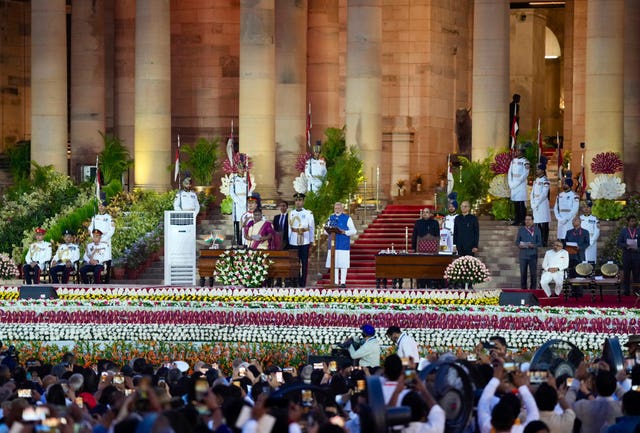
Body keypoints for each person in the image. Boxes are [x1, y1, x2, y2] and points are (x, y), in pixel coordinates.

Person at [325, 202, 357, 287]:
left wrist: (344, 232)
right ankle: (335, 282)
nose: (337, 210)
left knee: (343, 264)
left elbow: (354, 231)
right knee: (334, 263)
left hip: (343, 244)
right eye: (336, 208)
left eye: (339, 208)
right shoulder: (330, 218)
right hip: (333, 245)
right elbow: (325, 230)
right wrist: (327, 230)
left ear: (342, 209)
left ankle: (343, 282)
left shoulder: (347, 218)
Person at [288, 193, 315, 287]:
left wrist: (311, 240)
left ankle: (302, 282)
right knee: (294, 262)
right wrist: (288, 240)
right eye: (296, 200)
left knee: (304, 262)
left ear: (303, 201)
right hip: (293, 240)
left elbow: (311, 227)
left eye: (300, 200)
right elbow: (289, 228)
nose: (298, 202)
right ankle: (294, 281)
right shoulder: (291, 213)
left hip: (305, 240)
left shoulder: (308, 213)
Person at [515, 214, 542, 290]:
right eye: (526, 219)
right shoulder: (521, 229)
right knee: (523, 273)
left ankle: (533, 290)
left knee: (533, 273)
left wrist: (533, 245)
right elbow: (517, 241)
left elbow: (540, 242)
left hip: (533, 255)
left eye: (529, 219)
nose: (527, 221)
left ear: (533, 221)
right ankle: (523, 289)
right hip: (523, 255)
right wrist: (519, 245)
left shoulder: (537, 229)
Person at [616, 215, 640, 296]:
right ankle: (626, 291)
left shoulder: (639, 231)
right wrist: (626, 245)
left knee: (636, 274)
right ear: (628, 222)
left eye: (634, 221)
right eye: (632, 221)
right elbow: (619, 243)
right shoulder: (624, 231)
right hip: (627, 255)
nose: (633, 222)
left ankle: (636, 291)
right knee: (626, 274)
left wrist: (637, 248)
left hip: (636, 256)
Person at [530, 158, 551, 246]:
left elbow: (544, 194)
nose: (537, 171)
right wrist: (532, 203)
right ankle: (538, 241)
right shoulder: (536, 180)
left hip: (542, 205)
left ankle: (544, 241)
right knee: (537, 224)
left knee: (543, 224)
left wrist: (536, 203)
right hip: (535, 204)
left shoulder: (545, 181)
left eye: (538, 169)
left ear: (542, 170)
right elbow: (532, 193)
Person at [508, 147, 530, 226]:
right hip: (513, 184)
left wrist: (516, 183)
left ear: (522, 152)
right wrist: (510, 183)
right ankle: (516, 220)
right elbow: (510, 172)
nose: (516, 152)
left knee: (521, 203)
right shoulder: (513, 161)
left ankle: (523, 220)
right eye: (516, 150)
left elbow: (525, 174)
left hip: (520, 185)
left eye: (518, 150)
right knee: (516, 203)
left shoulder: (525, 162)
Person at [553, 175, 579, 241]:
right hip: (560, 219)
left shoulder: (574, 195)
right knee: (561, 238)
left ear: (569, 185)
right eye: (563, 183)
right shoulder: (559, 195)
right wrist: (558, 218)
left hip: (569, 220)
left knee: (569, 238)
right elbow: (556, 208)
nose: (563, 185)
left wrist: (566, 218)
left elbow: (575, 209)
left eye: (565, 183)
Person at [229, 167, 249, 245]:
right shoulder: (233, 179)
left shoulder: (246, 179)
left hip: (246, 203)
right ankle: (237, 241)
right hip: (237, 203)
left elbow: (249, 191)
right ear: (237, 169)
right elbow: (231, 192)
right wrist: (239, 201)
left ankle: (245, 240)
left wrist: (247, 201)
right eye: (240, 168)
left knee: (246, 221)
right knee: (237, 221)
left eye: (243, 169)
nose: (242, 170)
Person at [580, 196, 599, 263]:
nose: (586, 209)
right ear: (582, 208)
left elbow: (597, 231)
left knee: (591, 259)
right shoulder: (579, 218)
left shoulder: (595, 219)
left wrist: (591, 241)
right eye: (584, 207)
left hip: (591, 240)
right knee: (582, 259)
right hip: (581, 241)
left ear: (591, 208)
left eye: (588, 207)